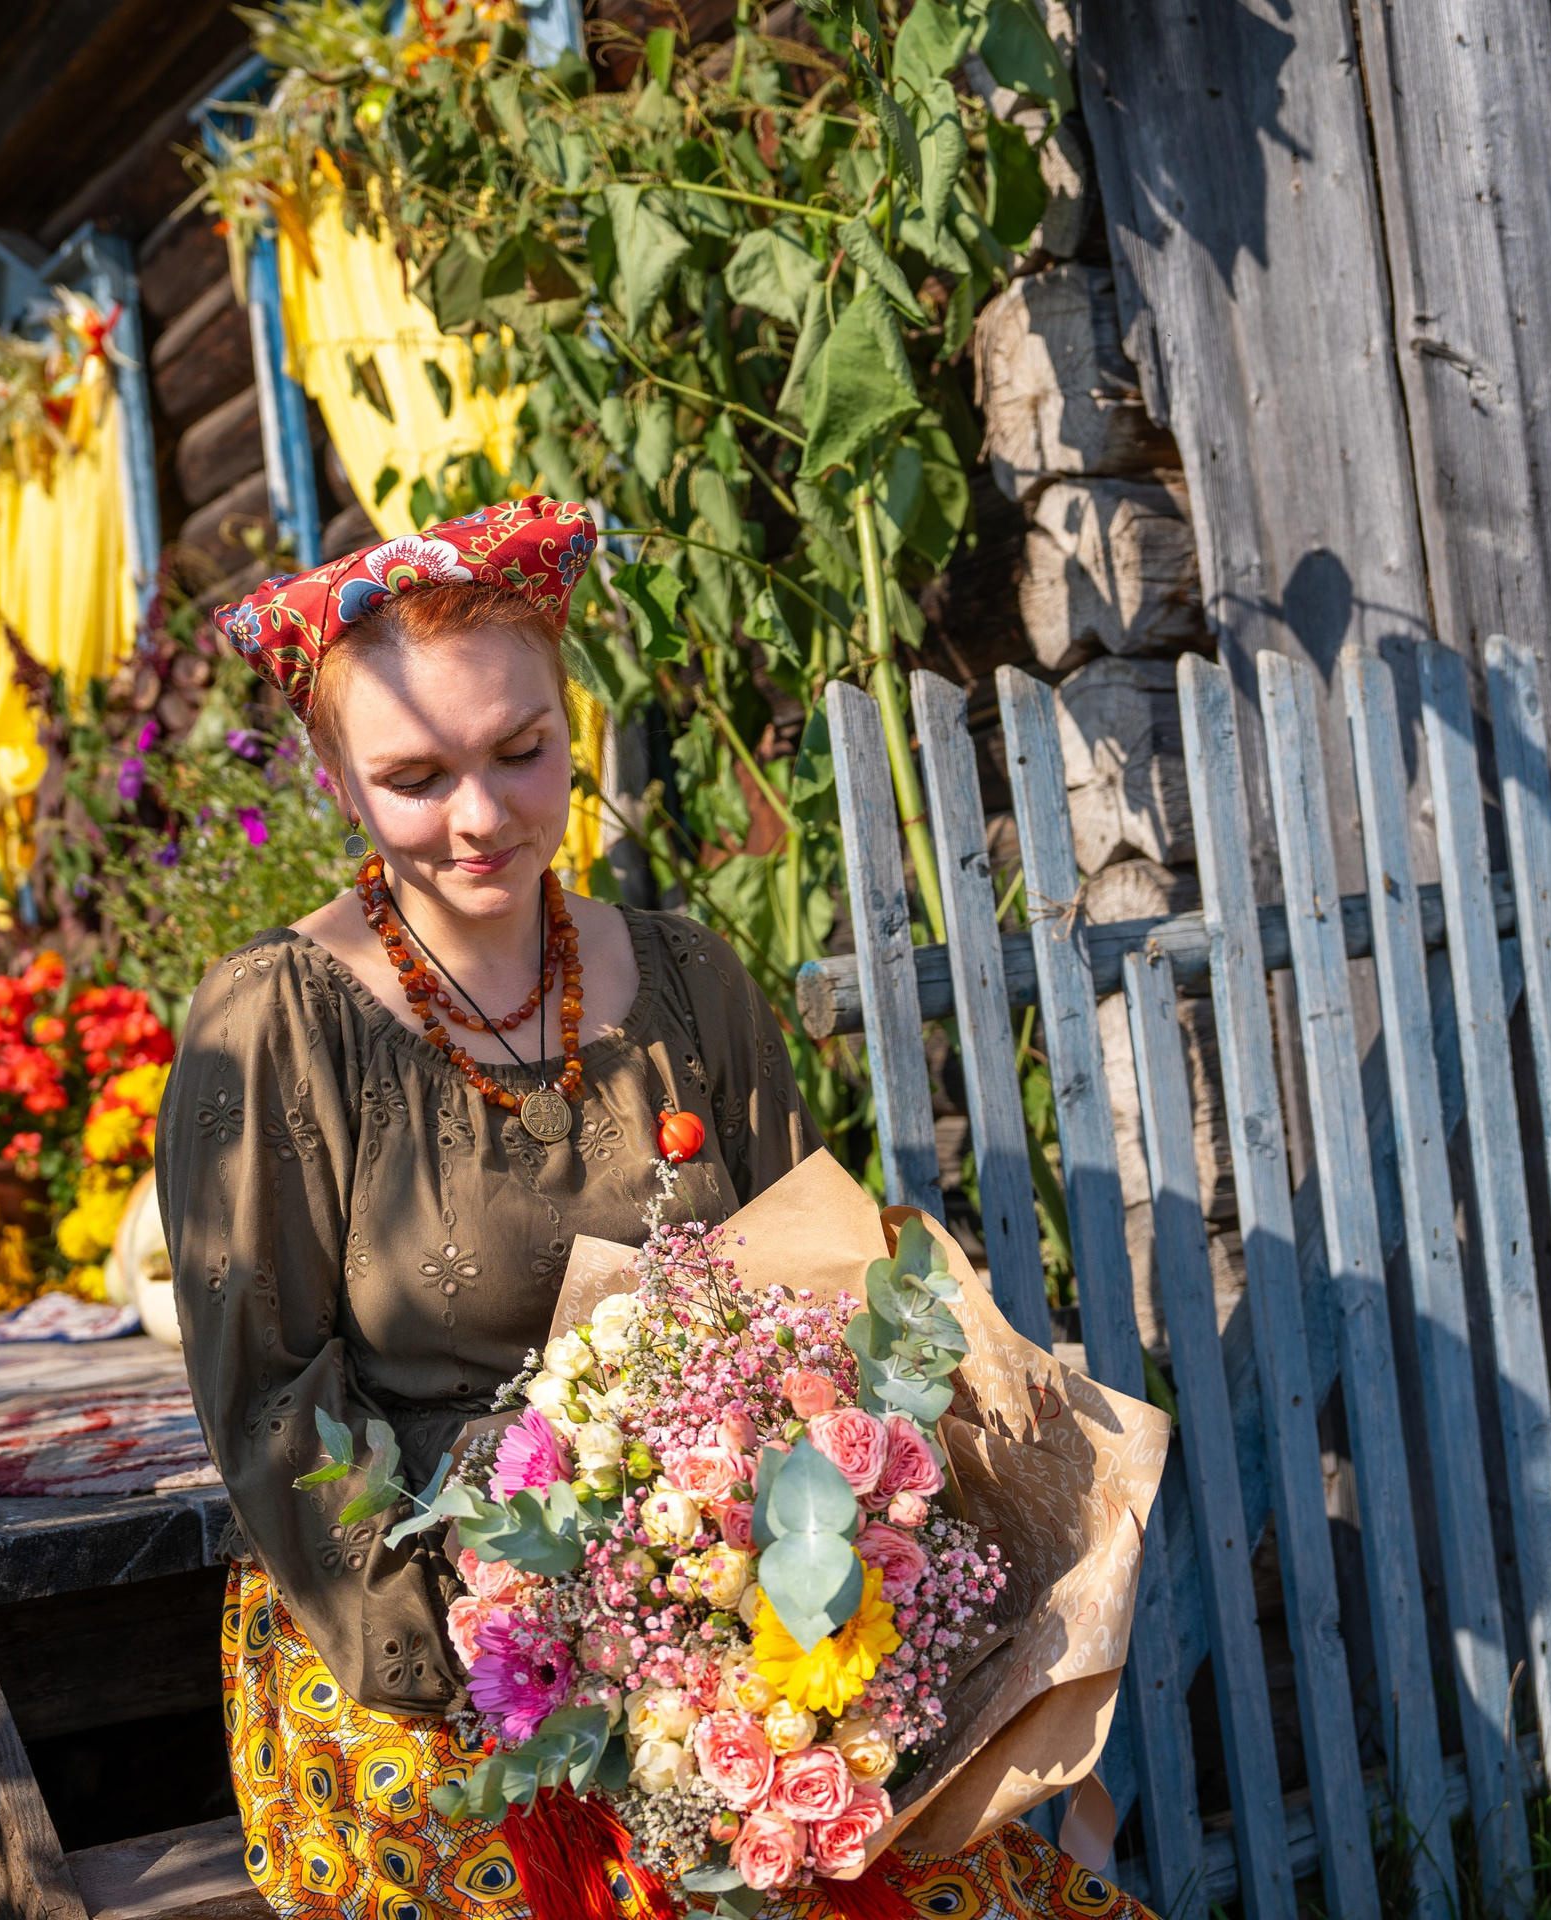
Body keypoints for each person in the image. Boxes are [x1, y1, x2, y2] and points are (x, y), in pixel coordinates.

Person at [158, 497, 1152, 1920]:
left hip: (720, 1599)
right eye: (415, 777)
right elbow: (271, 1407)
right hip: (423, 1641)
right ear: (334, 780)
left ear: (573, 724)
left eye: (521, 751)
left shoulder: (688, 982)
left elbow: (817, 1307)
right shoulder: (274, 1027)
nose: (481, 818)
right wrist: (503, 1640)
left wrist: (786, 1590)